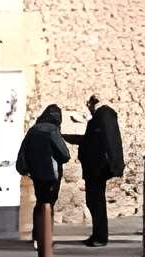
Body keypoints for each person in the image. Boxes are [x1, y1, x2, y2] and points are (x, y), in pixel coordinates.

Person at [15, 104, 70, 242]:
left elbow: (23, 151)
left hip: (36, 173)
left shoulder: (33, 130)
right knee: (48, 204)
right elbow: (64, 155)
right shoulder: (52, 131)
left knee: (40, 202)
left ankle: (37, 235)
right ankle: (46, 237)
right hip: (51, 174)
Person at [79, 95, 126, 247]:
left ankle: (100, 237)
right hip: (95, 168)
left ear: (91, 104)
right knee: (93, 201)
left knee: (96, 202)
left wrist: (114, 165)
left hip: (97, 168)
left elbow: (109, 141)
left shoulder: (104, 115)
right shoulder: (101, 117)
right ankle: (97, 234)